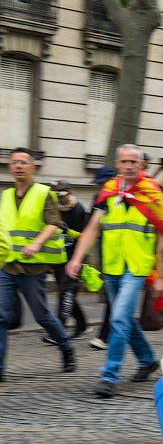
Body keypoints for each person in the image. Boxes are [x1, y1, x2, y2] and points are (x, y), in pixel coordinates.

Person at [64, 145, 163, 398]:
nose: (129, 166)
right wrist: (76, 259)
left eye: (134, 161)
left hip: (137, 266)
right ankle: (147, 359)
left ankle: (109, 375)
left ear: (142, 165)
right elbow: (91, 229)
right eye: (124, 161)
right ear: (117, 164)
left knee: (118, 318)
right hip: (111, 266)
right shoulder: (108, 192)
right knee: (125, 319)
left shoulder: (152, 192)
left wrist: (160, 274)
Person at [0, 149, 77, 381]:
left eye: (23, 162)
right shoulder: (5, 195)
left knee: (42, 316)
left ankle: (66, 348)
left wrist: (35, 244)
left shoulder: (44, 194)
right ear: (10, 167)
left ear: (33, 167)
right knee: (1, 316)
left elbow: (53, 224)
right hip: (7, 267)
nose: (18, 166)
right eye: (14, 162)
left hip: (33, 268)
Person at [49, 180, 88, 341]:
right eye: (55, 195)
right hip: (58, 258)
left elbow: (85, 237)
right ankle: (82, 324)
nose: (59, 198)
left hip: (74, 259)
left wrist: (66, 230)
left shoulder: (78, 210)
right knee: (68, 294)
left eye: (61, 194)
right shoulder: (52, 210)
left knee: (65, 294)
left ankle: (58, 332)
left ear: (69, 192)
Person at [87, 165, 116, 350]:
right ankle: (110, 336)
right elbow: (91, 227)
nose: (98, 187)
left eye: (100, 183)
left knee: (115, 300)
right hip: (107, 254)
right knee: (115, 300)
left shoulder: (124, 197)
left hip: (126, 258)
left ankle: (104, 337)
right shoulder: (99, 198)